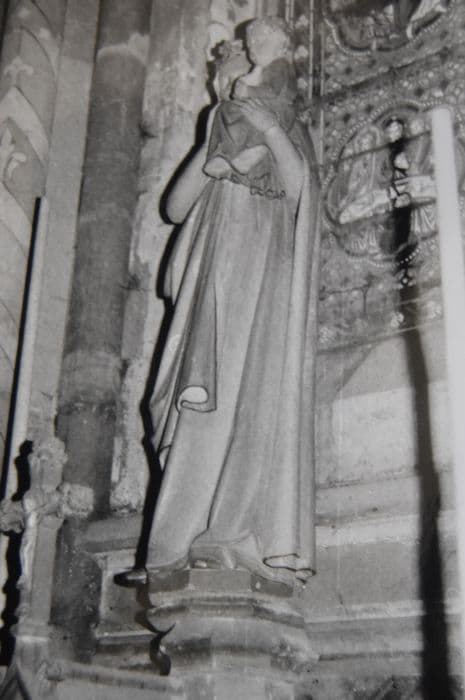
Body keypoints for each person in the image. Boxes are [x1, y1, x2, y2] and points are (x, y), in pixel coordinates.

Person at [130, 23, 320, 587]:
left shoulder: (285, 122)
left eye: (242, 80)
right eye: (226, 84)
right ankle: (173, 542)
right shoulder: (218, 128)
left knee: (251, 397)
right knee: (198, 401)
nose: (234, 89)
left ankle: (231, 532)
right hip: (210, 282)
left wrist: (269, 129)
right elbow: (173, 207)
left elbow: (300, 191)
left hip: (262, 278)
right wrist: (213, 142)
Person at [204, 17, 298, 199]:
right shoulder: (263, 68)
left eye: (260, 41)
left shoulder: (279, 65)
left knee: (236, 112)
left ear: (280, 45)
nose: (253, 48)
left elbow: (272, 91)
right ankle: (225, 155)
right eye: (250, 44)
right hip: (264, 106)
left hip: (278, 111)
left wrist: (248, 91)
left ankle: (255, 150)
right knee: (225, 110)